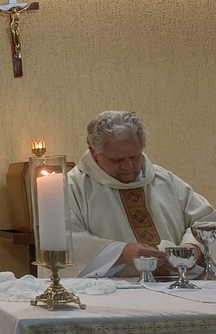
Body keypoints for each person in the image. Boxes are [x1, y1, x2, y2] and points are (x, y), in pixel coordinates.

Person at [68, 110, 216, 278]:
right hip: (112, 287)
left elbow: (207, 220)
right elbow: (66, 239)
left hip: (178, 283)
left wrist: (193, 247)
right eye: (117, 160)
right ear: (94, 152)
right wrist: (121, 252)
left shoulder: (165, 180)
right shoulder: (73, 187)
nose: (128, 166)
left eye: (134, 157)